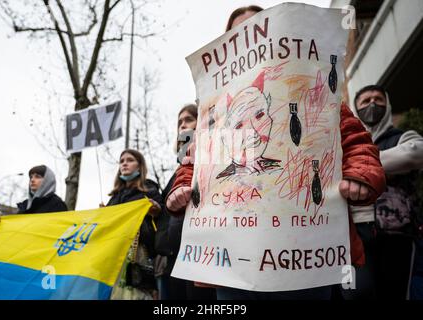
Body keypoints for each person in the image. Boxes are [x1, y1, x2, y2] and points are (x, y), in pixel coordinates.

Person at [165, 6, 386, 300]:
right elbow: (195, 162)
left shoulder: (317, 96)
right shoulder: (213, 112)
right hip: (232, 265)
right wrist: (182, 187)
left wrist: (360, 175)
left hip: (303, 261)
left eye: (254, 30)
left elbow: (357, 142)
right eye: (237, 35)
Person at [343, 84, 423, 300]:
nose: (372, 103)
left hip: (396, 235)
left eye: (378, 99)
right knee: (354, 293)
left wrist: (358, 163)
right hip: (353, 233)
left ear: (387, 105)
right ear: (355, 108)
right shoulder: (344, 144)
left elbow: (413, 155)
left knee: (396, 293)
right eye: (365, 100)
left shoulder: (403, 136)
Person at [154, 104, 217, 300]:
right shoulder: (175, 174)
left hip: (204, 258)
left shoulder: (213, 158)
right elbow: (166, 216)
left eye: (189, 119)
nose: (183, 125)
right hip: (174, 261)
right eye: (179, 122)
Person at [107, 149, 163, 300]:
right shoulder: (114, 198)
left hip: (139, 256)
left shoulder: (150, 191)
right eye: (122, 161)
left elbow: (162, 219)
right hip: (115, 257)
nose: (124, 163)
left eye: (130, 160)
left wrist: (156, 211)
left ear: (140, 166)